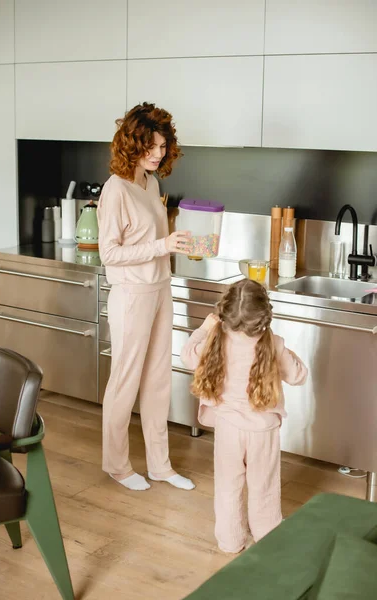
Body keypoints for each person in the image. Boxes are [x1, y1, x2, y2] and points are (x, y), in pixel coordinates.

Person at [98, 102, 195, 492]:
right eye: (151, 146)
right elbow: (111, 253)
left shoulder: (150, 183)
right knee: (125, 380)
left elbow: (151, 241)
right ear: (132, 144)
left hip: (159, 288)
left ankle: (160, 465)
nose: (158, 153)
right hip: (132, 294)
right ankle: (117, 465)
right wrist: (160, 246)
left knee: (157, 380)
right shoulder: (115, 189)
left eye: (162, 146)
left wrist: (173, 244)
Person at [181, 279, 307, 552]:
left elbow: (187, 355)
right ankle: (267, 540)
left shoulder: (215, 340)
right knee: (264, 487)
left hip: (228, 428)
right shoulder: (273, 344)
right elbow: (299, 376)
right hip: (263, 430)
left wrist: (205, 327)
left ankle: (231, 541)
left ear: (223, 317)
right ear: (264, 318)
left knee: (228, 486)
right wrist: (281, 346)